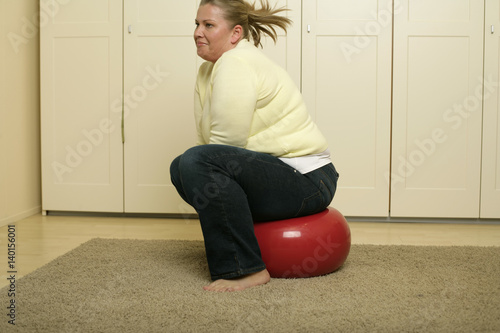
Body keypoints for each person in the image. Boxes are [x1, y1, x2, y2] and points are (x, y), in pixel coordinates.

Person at [170, 0, 339, 292]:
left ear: (235, 34)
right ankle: (241, 249)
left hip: (310, 180)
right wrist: (196, 165)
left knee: (194, 162)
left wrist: (198, 164)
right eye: (197, 24)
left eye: (208, 25)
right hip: (281, 176)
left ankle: (243, 269)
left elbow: (224, 146)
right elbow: (209, 146)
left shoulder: (236, 62)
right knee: (181, 166)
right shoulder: (207, 71)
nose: (198, 32)